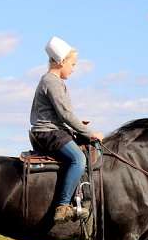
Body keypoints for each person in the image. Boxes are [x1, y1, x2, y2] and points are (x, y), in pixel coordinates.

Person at [29, 36, 103, 224]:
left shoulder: (53, 81)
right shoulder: (52, 81)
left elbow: (64, 115)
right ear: (61, 62)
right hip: (48, 133)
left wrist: (79, 128)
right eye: (73, 64)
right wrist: (89, 133)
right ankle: (63, 206)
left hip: (54, 130)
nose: (73, 68)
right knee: (79, 159)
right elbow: (65, 114)